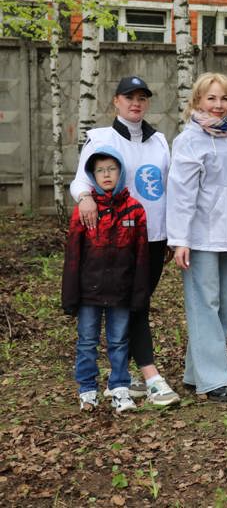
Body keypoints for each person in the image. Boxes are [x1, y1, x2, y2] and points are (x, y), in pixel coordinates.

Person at [69, 75, 180, 407]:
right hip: (118, 240)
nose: (136, 103)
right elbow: (80, 180)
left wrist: (174, 234)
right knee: (136, 304)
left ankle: (122, 374)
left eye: (142, 98)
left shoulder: (159, 140)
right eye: (129, 97)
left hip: (155, 237)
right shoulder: (101, 138)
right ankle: (150, 375)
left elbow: (169, 187)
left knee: (136, 303)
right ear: (116, 101)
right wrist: (85, 198)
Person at [166, 73, 227, 402]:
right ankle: (214, 380)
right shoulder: (189, 140)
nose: (218, 106)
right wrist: (180, 239)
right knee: (205, 305)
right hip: (200, 236)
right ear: (197, 102)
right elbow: (181, 194)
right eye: (211, 99)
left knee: (221, 306)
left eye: (224, 99)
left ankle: (196, 371)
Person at [62, 147, 149, 413]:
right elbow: (73, 255)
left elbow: (142, 256)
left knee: (119, 340)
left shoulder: (135, 210)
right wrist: (70, 295)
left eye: (111, 169)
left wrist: (138, 294)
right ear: (92, 175)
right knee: (87, 340)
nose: (106, 174)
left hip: (121, 290)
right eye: (100, 170)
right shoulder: (83, 211)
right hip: (89, 290)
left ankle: (120, 388)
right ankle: (87, 390)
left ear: (121, 172)